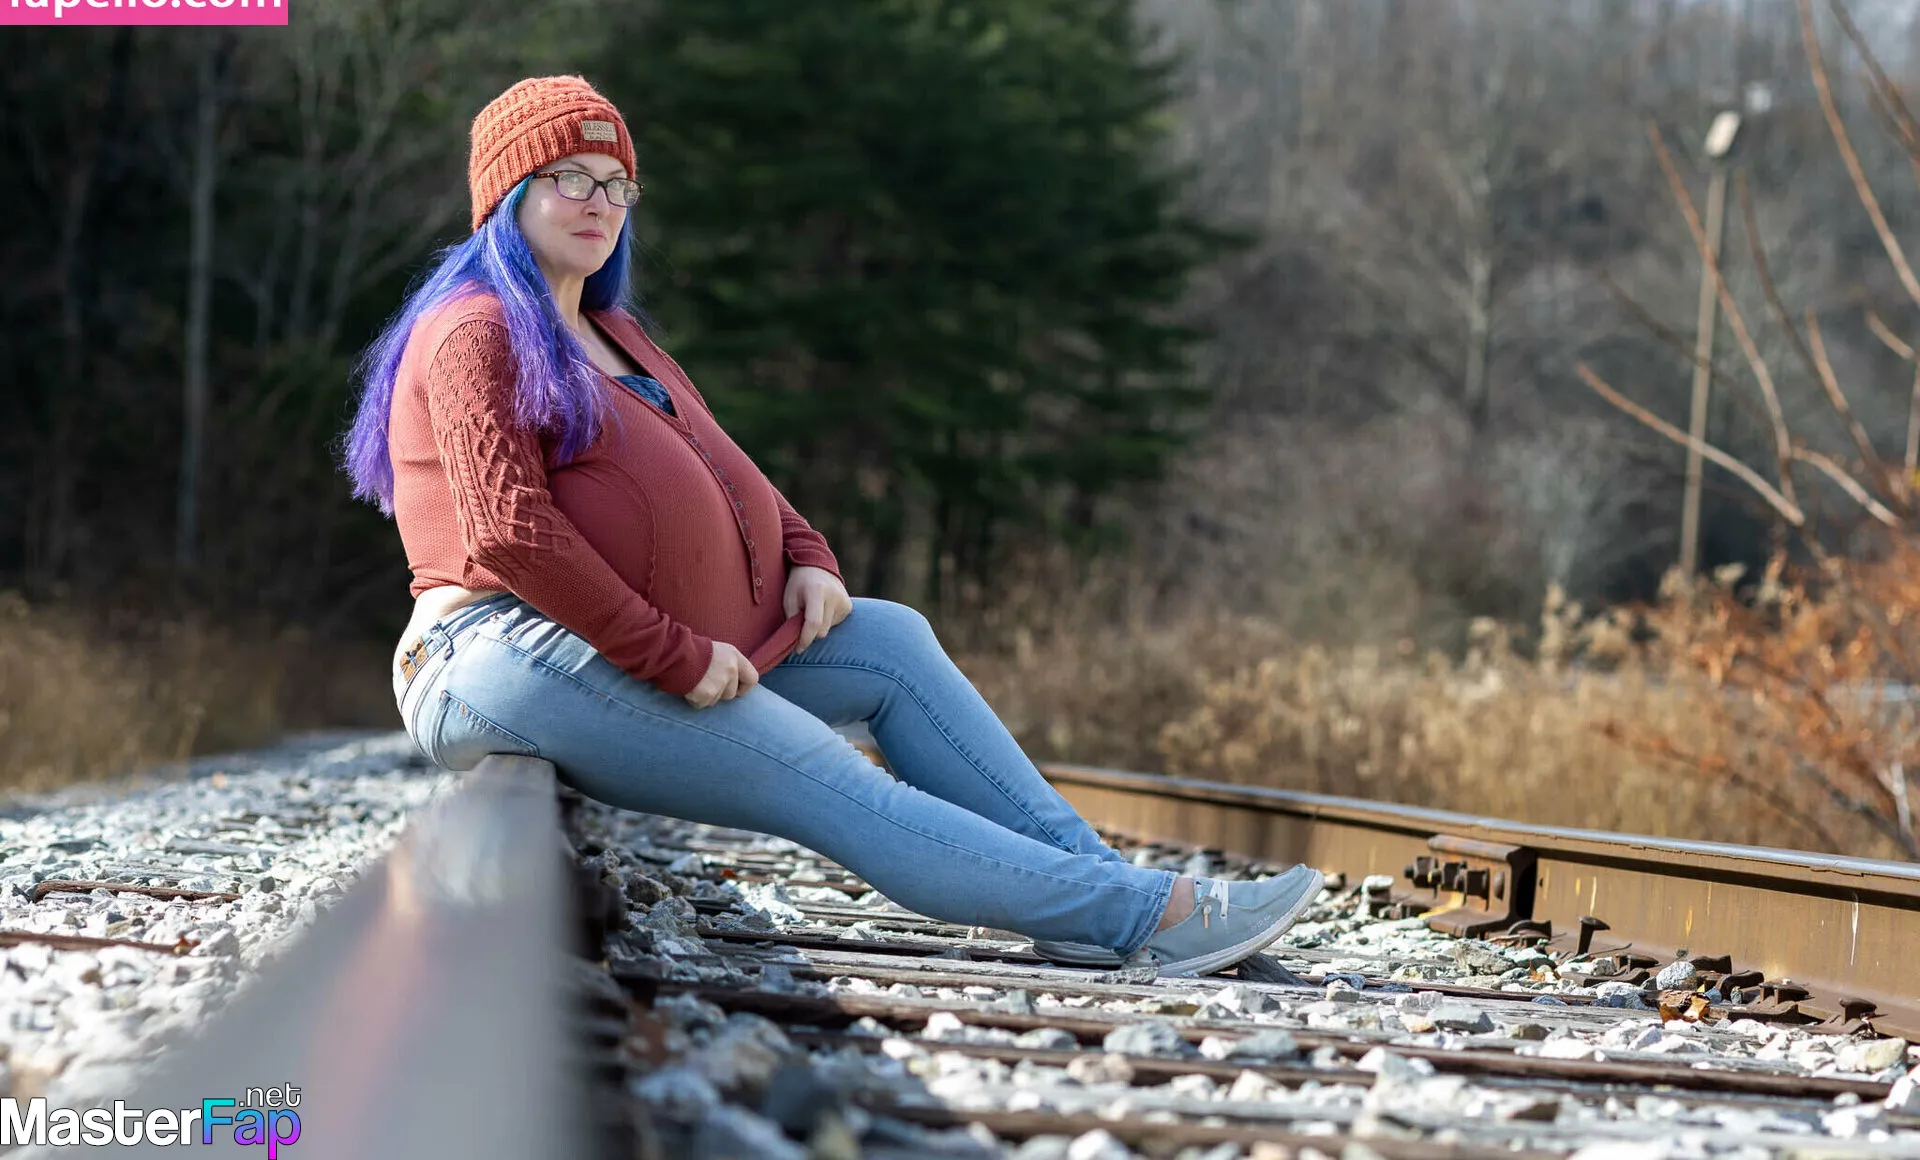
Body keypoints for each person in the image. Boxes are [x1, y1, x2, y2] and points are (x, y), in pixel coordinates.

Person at [339, 75, 1321, 976]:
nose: (598, 202)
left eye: (616, 184)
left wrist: (807, 555)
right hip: (491, 651)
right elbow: (509, 532)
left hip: (625, 645)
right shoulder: (476, 329)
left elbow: (723, 465)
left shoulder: (611, 330)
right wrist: (672, 654)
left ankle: (1111, 888)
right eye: (569, 179)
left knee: (889, 640)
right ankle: (1141, 914)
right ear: (508, 193)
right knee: (820, 772)